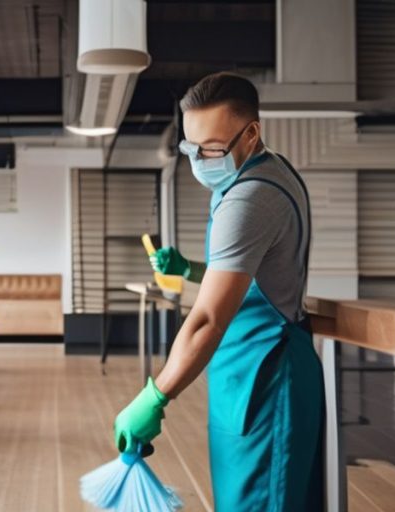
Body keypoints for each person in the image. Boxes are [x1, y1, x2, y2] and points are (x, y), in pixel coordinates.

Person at [112, 72, 323, 511]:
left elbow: (208, 318)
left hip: (265, 377)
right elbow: (250, 270)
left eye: (211, 148)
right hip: (246, 376)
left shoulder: (248, 200)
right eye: (191, 148)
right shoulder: (272, 171)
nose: (199, 159)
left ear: (251, 132)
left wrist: (154, 396)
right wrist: (190, 268)